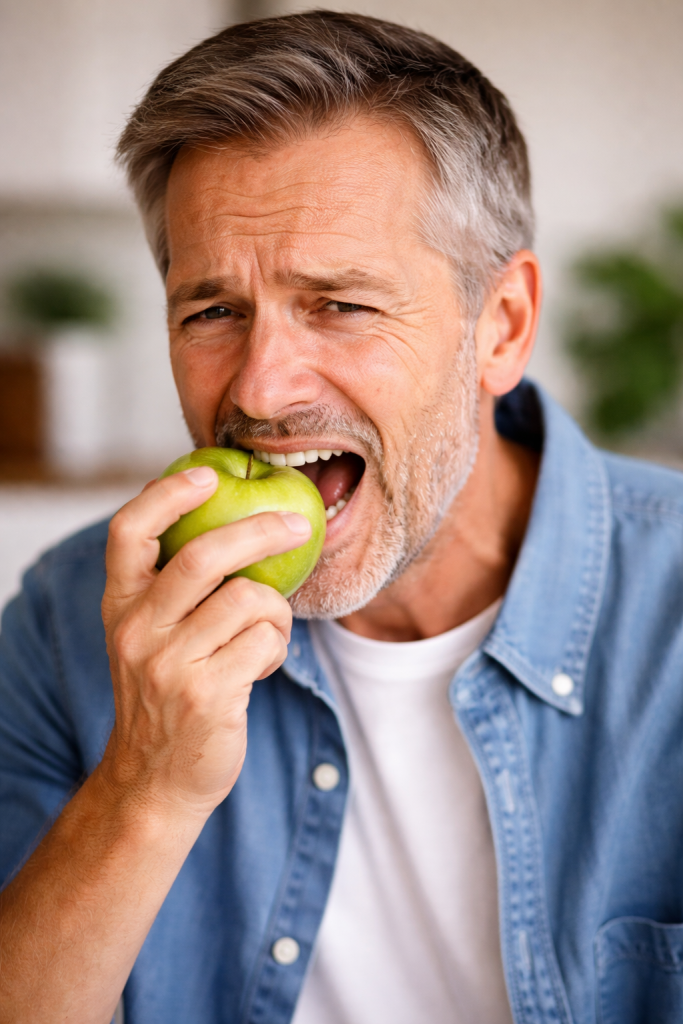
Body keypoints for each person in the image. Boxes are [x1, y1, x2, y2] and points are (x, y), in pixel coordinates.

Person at [1, 10, 682, 1024]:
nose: (264, 389)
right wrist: (142, 788)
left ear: (499, 328)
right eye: (212, 311)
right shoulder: (69, 622)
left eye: (340, 304)